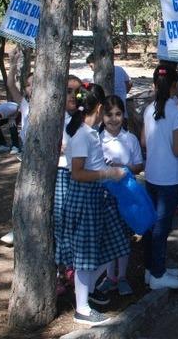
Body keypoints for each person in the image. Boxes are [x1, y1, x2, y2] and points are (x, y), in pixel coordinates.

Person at [58, 84, 130, 326]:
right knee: (86, 256)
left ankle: (85, 292)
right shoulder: (82, 135)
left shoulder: (89, 132)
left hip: (96, 196)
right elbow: (78, 173)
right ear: (99, 108)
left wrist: (106, 171)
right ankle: (82, 308)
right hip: (85, 197)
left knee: (112, 246)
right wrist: (108, 173)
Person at [141, 65, 178, 290]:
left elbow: (143, 142)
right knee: (162, 227)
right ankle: (158, 274)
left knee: (152, 225)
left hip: (151, 174)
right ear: (175, 86)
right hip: (169, 177)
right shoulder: (177, 112)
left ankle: (151, 268)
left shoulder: (149, 109)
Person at [94, 95, 144, 297]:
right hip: (104, 194)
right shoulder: (96, 139)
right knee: (107, 237)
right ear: (102, 116)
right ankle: (109, 276)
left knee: (123, 236)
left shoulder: (130, 139)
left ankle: (122, 276)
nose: (114, 119)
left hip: (125, 194)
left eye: (118, 114)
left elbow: (139, 165)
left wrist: (123, 168)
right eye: (109, 114)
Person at [54, 75, 85, 294]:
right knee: (59, 221)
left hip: (79, 176)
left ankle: (73, 267)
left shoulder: (84, 119)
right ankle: (59, 269)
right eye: (68, 91)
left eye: (77, 91)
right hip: (61, 173)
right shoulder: (56, 119)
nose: (73, 96)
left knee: (76, 223)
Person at [0, 49, 33, 245]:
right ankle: (18, 228)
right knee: (22, 196)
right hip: (27, 156)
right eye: (28, 85)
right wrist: (12, 64)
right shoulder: (26, 105)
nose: (29, 88)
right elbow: (11, 85)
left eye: (33, 83)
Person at [86, 52, 133, 120]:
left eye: (91, 66)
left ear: (97, 63)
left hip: (107, 115)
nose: (91, 69)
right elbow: (129, 83)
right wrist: (122, 94)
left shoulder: (98, 76)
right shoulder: (120, 69)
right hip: (122, 112)